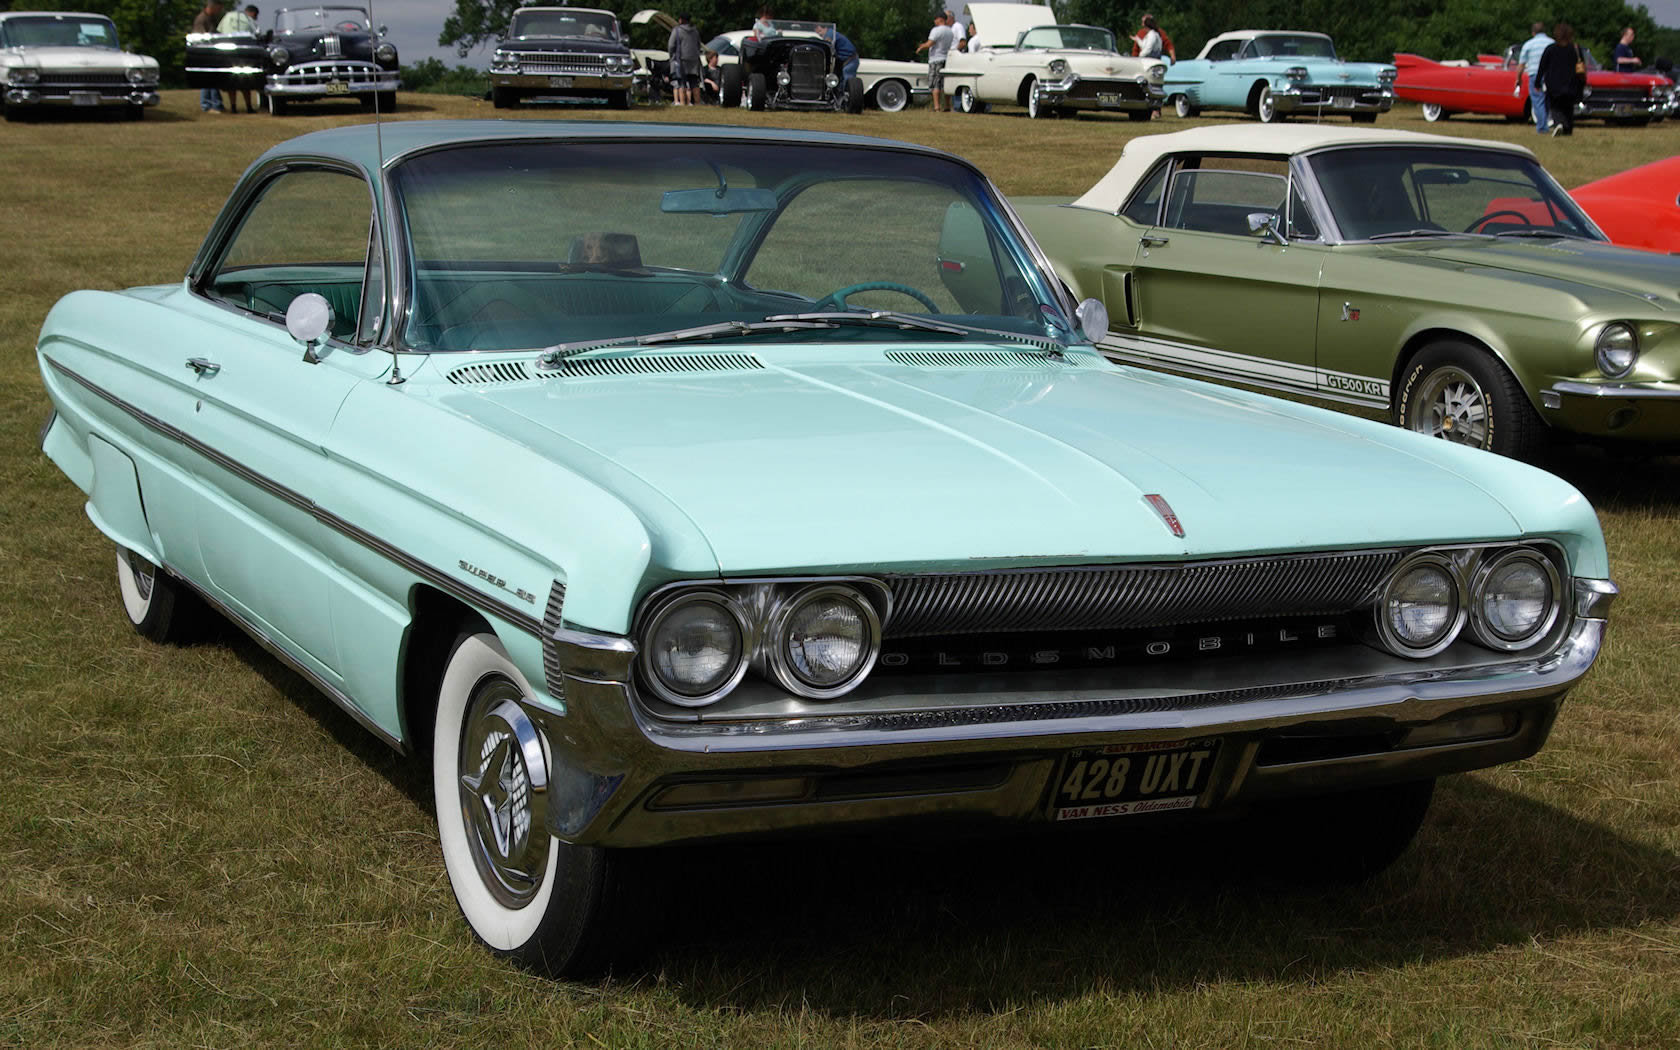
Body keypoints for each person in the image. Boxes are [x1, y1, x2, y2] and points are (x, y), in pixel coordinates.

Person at [1537, 22, 1586, 136]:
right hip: (1571, 84)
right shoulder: (1575, 48)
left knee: (1556, 107)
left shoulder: (1550, 49)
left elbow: (1542, 66)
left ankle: (1559, 123)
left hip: (1554, 84)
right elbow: (1581, 66)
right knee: (1568, 108)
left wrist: (1537, 82)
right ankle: (1568, 129)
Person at [218, 4, 260, 113]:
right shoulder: (249, 20)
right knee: (246, 82)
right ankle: (249, 107)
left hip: (228, 53)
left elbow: (220, 31)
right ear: (253, 13)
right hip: (244, 54)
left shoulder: (228, 17)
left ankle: (233, 107)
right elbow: (255, 34)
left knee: (232, 83)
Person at [1517, 21, 1554, 134]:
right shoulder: (1552, 42)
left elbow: (1521, 65)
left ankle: (1542, 127)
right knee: (1547, 100)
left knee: (1537, 101)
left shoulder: (1528, 44)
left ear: (1533, 32)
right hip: (1549, 75)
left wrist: (1518, 79)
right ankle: (1545, 123)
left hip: (1534, 74)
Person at [191, 0, 226, 113]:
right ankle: (208, 105)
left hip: (212, 53)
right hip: (204, 53)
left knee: (212, 80)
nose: (220, 11)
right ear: (213, 7)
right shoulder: (201, 19)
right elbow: (200, 38)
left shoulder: (212, 19)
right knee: (208, 80)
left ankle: (216, 104)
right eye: (219, 8)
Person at [915, 12, 955, 112]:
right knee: (945, 84)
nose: (934, 21)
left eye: (935, 19)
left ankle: (936, 107)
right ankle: (947, 106)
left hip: (936, 59)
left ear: (939, 19)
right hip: (946, 59)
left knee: (935, 84)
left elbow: (930, 43)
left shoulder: (936, 30)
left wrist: (921, 47)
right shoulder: (950, 31)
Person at [667, 13, 701, 105]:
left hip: (681, 59)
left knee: (681, 82)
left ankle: (682, 103)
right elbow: (698, 45)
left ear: (681, 20)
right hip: (694, 60)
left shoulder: (677, 30)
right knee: (694, 82)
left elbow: (671, 45)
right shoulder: (695, 31)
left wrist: (672, 57)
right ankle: (698, 103)